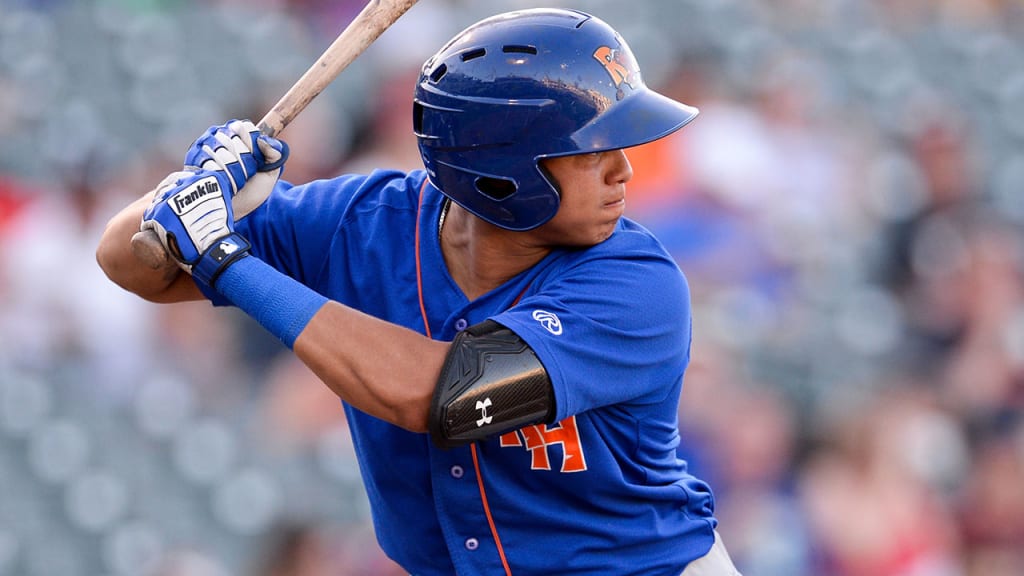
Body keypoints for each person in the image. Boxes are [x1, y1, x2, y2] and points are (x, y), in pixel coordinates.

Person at [97, 8, 741, 575]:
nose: (624, 170)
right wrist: (195, 189)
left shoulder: (639, 284)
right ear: (503, 169)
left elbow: (447, 398)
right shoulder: (362, 221)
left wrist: (226, 259)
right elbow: (125, 260)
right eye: (595, 150)